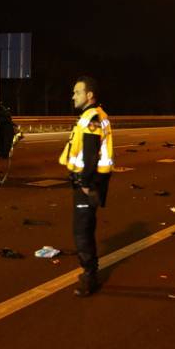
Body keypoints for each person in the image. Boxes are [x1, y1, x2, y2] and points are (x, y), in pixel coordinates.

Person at [59, 76, 113, 297]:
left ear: (89, 95)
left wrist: (84, 183)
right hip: (89, 182)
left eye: (77, 92)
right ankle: (90, 271)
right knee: (85, 229)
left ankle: (90, 275)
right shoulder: (92, 116)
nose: (73, 96)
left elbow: (91, 153)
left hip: (88, 184)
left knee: (82, 232)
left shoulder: (92, 117)